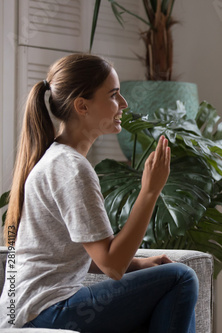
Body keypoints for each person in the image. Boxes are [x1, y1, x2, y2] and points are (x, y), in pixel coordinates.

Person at [0, 54, 198, 332]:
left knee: (167, 288)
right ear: (82, 106)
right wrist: (150, 191)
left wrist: (139, 264)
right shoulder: (71, 168)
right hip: (48, 310)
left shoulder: (57, 160)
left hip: (33, 308)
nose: (124, 104)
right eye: (114, 95)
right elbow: (112, 267)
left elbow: (74, 252)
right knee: (181, 278)